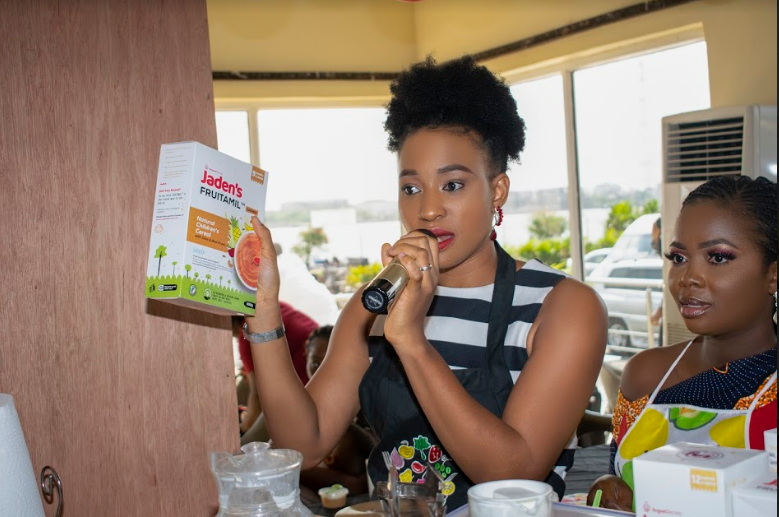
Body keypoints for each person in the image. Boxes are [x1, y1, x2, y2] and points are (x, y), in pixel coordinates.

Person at [244, 55, 607, 510]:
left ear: (497, 190)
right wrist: (263, 310)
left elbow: (513, 474)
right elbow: (304, 444)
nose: (428, 210)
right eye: (411, 188)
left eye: (452, 185)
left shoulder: (561, 307)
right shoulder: (374, 302)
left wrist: (412, 343)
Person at [589, 175, 777, 511]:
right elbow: (620, 480)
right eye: (678, 258)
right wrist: (613, 491)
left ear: (773, 275)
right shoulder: (646, 375)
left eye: (718, 257)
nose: (687, 278)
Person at [298, 325, 378, 496]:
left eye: (331, 364)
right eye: (315, 363)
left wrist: (289, 467)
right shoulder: (300, 401)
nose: (322, 372)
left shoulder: (368, 401)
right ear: (306, 356)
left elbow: (360, 483)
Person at [238, 301, 319, 441]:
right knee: (245, 382)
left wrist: (243, 428)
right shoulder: (272, 304)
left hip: (305, 395)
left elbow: (257, 397)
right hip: (318, 370)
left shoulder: (247, 334)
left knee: (243, 446)